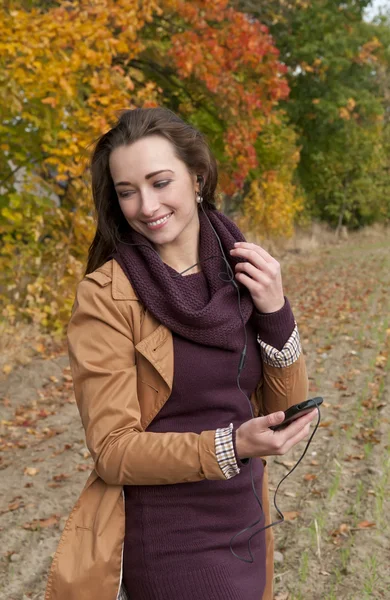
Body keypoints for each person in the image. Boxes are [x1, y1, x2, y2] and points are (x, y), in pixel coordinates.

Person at [44, 107, 316, 600]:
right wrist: (232, 446)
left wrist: (275, 310)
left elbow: (283, 408)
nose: (145, 205)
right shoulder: (106, 296)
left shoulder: (243, 269)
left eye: (160, 182)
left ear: (197, 176)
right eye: (127, 191)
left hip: (244, 521)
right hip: (169, 538)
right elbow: (113, 450)